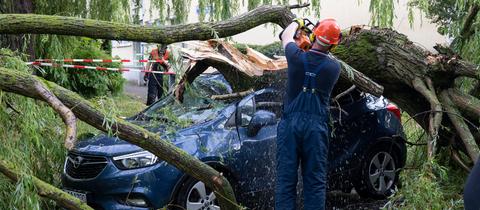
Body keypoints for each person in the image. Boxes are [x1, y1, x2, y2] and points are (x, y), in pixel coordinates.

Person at [275, 18, 342, 210]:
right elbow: (319, 60)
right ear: (333, 45)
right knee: (315, 183)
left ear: (314, 35)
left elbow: (286, 35)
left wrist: (298, 21)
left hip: (290, 129)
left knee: (285, 183)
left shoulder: (295, 57)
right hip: (316, 130)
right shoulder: (334, 68)